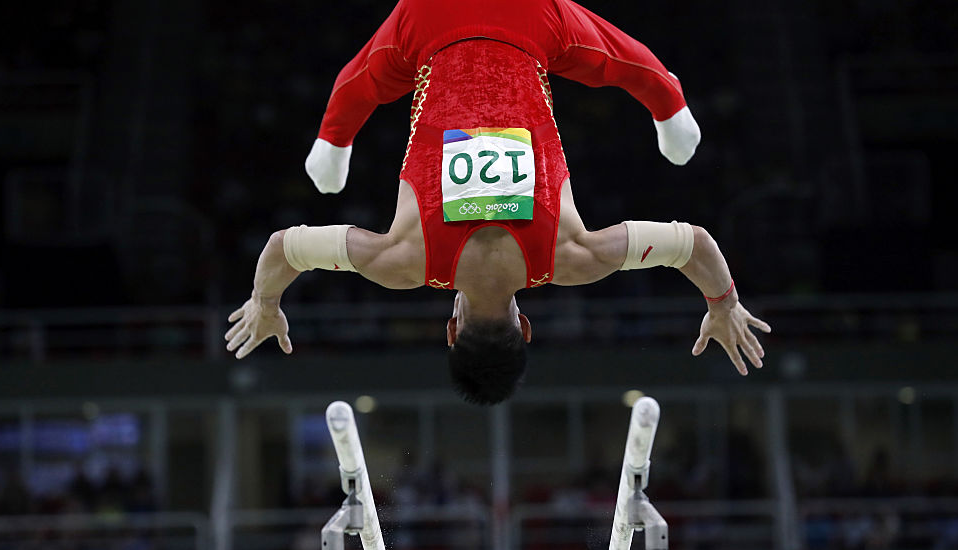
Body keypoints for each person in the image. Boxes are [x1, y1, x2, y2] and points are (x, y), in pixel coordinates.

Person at [225, 0, 771, 404]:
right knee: (366, 78)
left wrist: (722, 303)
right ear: (450, 331)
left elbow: (692, 244)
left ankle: (669, 104)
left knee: (612, 58)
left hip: (529, 21)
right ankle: (332, 144)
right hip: (429, 22)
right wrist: (266, 303)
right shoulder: (405, 262)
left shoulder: (569, 256)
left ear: (526, 327)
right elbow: (284, 250)